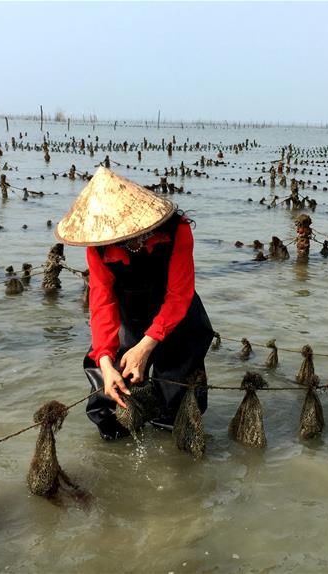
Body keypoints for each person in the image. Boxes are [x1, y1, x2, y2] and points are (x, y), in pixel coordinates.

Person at [54, 167, 214, 440]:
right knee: (112, 380)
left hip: (178, 311)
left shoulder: (178, 230)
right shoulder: (99, 246)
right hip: (129, 310)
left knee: (177, 388)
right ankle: (114, 438)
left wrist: (147, 345)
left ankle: (171, 434)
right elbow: (102, 301)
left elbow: (180, 293)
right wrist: (104, 359)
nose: (126, 239)